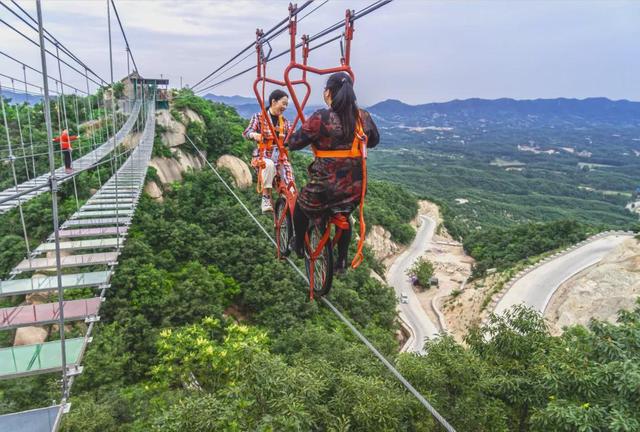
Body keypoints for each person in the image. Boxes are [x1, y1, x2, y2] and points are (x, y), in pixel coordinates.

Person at [288, 72, 379, 272]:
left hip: (325, 189)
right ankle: (342, 261)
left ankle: (298, 244)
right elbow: (373, 140)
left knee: (302, 205)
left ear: (328, 93)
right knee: (344, 215)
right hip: (355, 189)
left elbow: (294, 143)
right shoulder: (362, 116)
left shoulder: (322, 117)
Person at [243, 89, 295, 213]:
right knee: (269, 165)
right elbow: (246, 132)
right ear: (273, 101)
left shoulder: (285, 122)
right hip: (263, 156)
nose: (285, 107)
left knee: (289, 177)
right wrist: (254, 135)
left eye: (287, 104)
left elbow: (292, 135)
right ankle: (266, 197)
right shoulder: (259, 117)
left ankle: (290, 201)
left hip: (280, 157)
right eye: (283, 103)